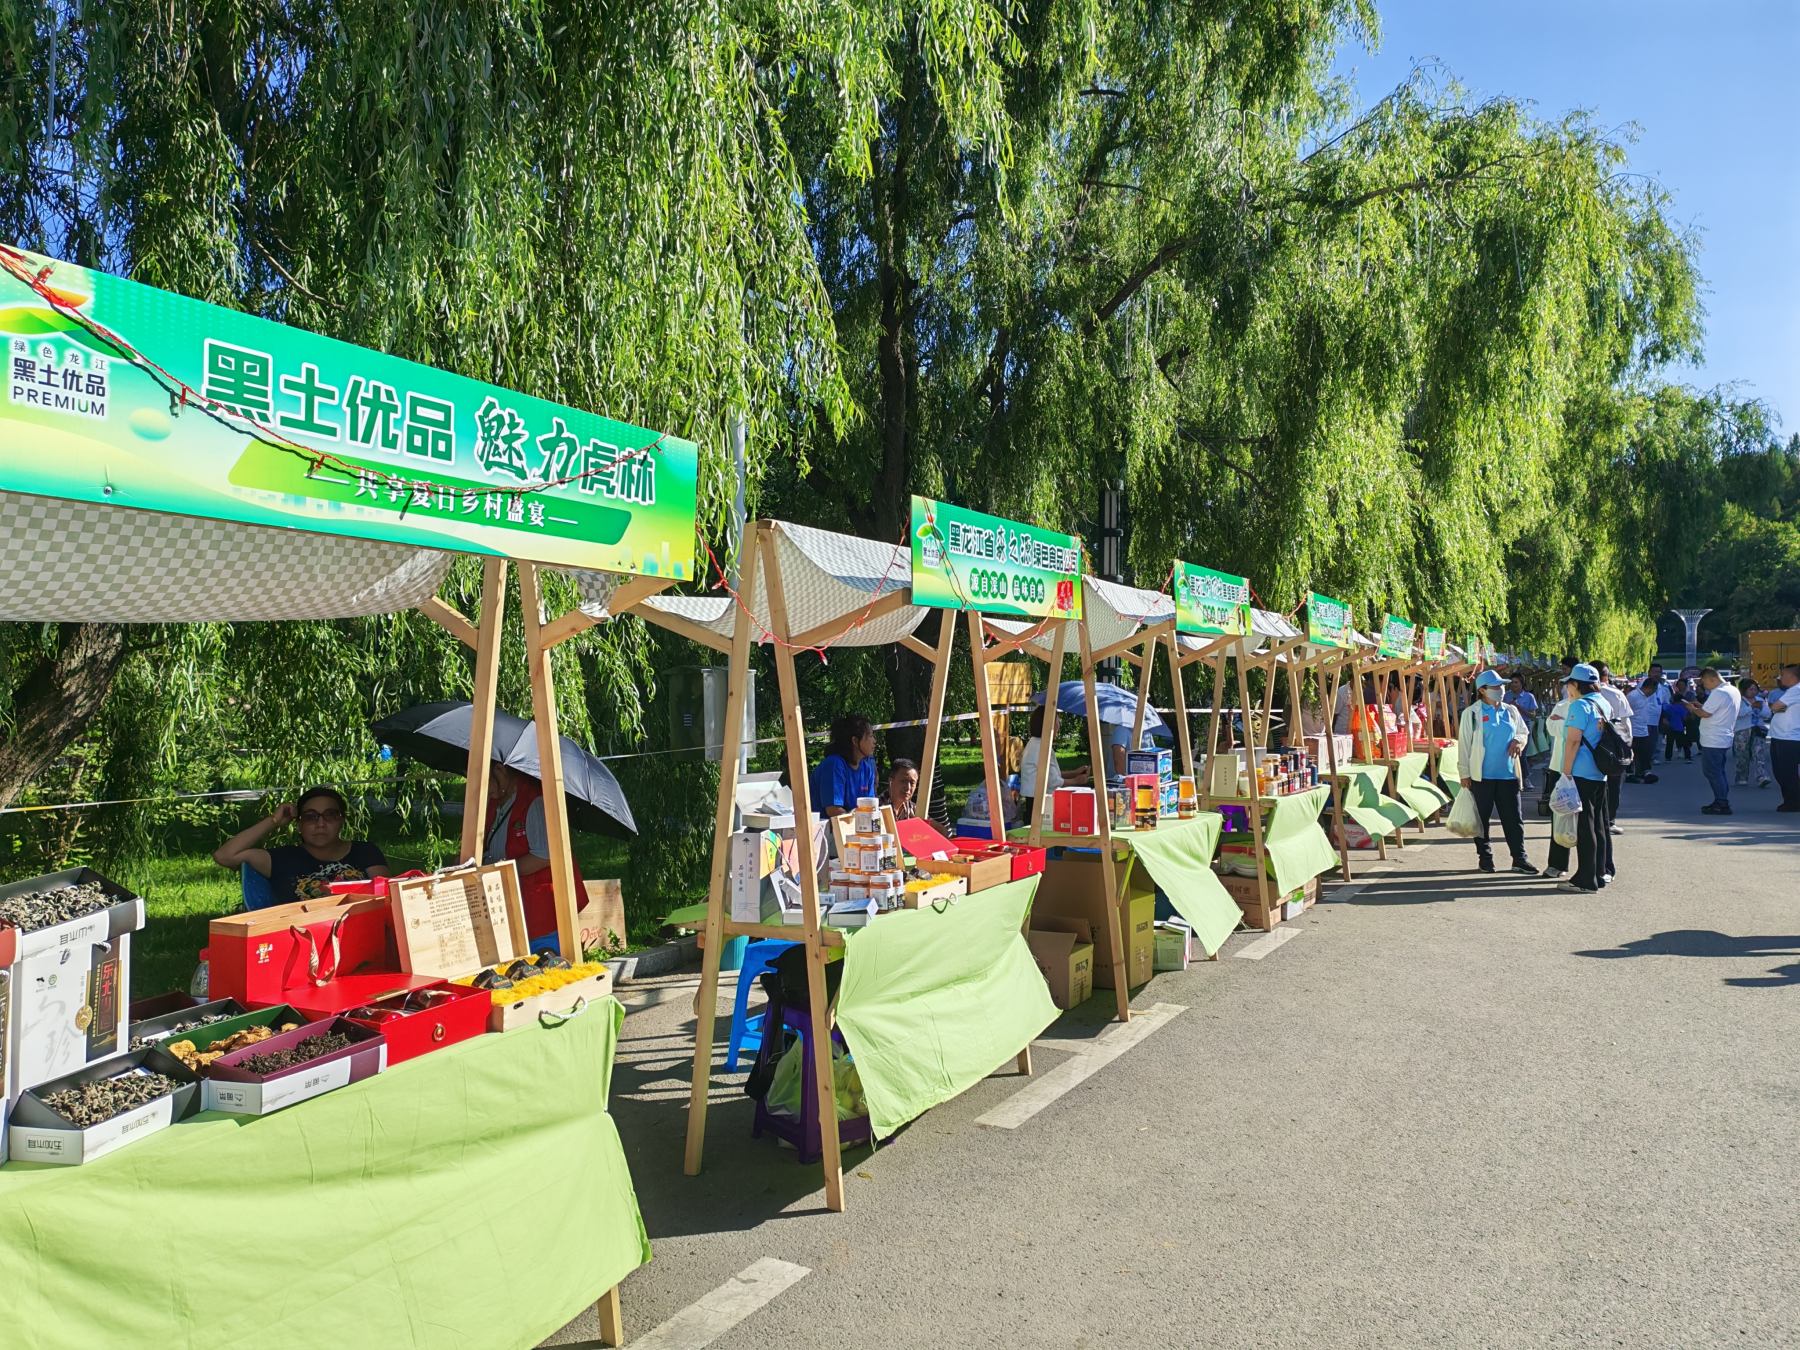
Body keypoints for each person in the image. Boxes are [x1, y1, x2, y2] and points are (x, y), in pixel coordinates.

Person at [213, 785, 390, 902]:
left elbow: (386, 899)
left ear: (341, 820)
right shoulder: (281, 859)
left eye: (329, 815)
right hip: (300, 943)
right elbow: (224, 856)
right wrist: (274, 820)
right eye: (310, 817)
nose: (320, 824)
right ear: (299, 824)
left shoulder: (365, 852)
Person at [484, 761, 584, 942]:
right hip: (510, 907)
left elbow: (544, 856)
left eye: (485, 779)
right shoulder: (495, 803)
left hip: (541, 911)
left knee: (544, 964)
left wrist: (501, 870)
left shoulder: (534, 800)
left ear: (499, 770)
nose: (481, 787)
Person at [1457, 670, 1533, 874]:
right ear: (1482, 690)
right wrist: (1464, 773)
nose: (1501, 690)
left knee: (1514, 819)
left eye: (1502, 686)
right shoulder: (1472, 713)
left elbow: (1523, 731)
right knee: (1481, 820)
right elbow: (1464, 745)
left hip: (1508, 775)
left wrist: (1519, 741)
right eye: (1495, 687)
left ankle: (1519, 858)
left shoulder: (1511, 711)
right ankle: (1485, 857)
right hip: (1482, 776)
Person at [1557, 663, 1613, 893]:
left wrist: (1565, 772)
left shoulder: (1579, 705)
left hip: (1580, 771)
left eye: (1569, 683)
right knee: (1598, 824)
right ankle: (1599, 872)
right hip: (1600, 772)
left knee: (1584, 826)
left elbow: (1573, 741)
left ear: (1576, 684)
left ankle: (1585, 879)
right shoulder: (1603, 703)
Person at [1018, 703, 1091, 828]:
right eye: (1057, 721)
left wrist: (1074, 772)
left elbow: (1051, 772)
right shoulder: (1041, 747)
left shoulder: (1036, 743)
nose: (1059, 725)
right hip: (1039, 801)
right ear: (1048, 724)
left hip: (1036, 799)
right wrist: (1077, 780)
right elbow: (1053, 781)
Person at [1684, 668, 1741, 815]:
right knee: (1718, 771)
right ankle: (1720, 800)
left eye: (1703, 682)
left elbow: (1705, 714)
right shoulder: (1732, 690)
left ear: (1712, 679)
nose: (1703, 686)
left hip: (1714, 738)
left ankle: (1722, 802)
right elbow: (1713, 710)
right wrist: (1701, 706)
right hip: (1723, 736)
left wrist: (1693, 709)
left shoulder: (1719, 693)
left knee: (1712, 772)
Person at [1592, 664, 1634, 834]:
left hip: (1590, 744)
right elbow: (1626, 723)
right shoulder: (1616, 694)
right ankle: (1609, 821)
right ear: (1606, 676)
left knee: (1592, 783)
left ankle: (1592, 820)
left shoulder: (1576, 694)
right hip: (1614, 745)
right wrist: (1629, 746)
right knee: (1614, 783)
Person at [810, 714, 878, 818]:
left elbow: (870, 807)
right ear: (855, 741)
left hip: (855, 828)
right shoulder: (834, 765)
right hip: (825, 831)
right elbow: (833, 810)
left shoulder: (867, 768)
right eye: (870, 736)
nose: (874, 741)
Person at [1767, 664, 1800, 811]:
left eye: (1783, 675)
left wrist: (1778, 707)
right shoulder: (1793, 691)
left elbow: (1775, 706)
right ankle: (1790, 800)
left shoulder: (1795, 690)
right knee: (1781, 771)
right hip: (1781, 736)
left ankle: (1794, 802)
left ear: (1792, 677)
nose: (1780, 678)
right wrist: (1780, 707)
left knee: (1786, 772)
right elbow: (1778, 707)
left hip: (1788, 737)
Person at [1732, 679, 1772, 789]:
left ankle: (1762, 777)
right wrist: (1751, 707)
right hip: (1742, 730)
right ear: (1744, 690)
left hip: (1757, 730)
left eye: (1755, 689)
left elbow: (1767, 714)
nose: (1753, 691)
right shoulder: (1739, 701)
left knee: (1759, 753)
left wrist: (1760, 708)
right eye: (1751, 689)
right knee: (1742, 755)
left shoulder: (1760, 700)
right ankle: (1741, 777)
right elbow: (1738, 714)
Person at [1625, 676, 1663, 784]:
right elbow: (1626, 712)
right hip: (1634, 731)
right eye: (1654, 690)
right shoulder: (1633, 696)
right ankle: (1630, 773)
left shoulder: (1646, 697)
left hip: (1643, 729)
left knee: (1645, 752)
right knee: (1633, 753)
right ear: (1649, 688)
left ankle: (1644, 771)